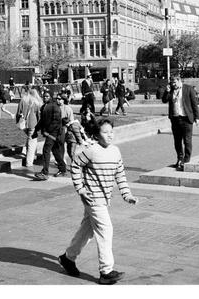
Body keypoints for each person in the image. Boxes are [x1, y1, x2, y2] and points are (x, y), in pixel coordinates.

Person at [58, 118, 138, 285]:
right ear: (96, 135)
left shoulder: (116, 151)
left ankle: (68, 258)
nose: (109, 135)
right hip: (93, 198)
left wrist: (127, 195)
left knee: (87, 231)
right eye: (105, 132)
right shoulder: (91, 150)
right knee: (106, 229)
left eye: (111, 131)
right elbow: (75, 166)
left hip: (104, 198)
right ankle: (106, 271)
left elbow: (120, 175)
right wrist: (80, 189)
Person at [161, 75, 199, 171]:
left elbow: (194, 103)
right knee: (177, 141)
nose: (172, 84)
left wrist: (197, 117)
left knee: (187, 140)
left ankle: (186, 159)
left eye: (174, 82)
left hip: (186, 118)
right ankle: (179, 158)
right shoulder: (170, 89)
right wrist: (167, 91)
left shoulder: (188, 89)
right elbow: (164, 100)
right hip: (175, 118)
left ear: (179, 81)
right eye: (171, 82)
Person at [33, 92, 67, 180]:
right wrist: (36, 129)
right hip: (51, 132)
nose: (45, 98)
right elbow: (42, 120)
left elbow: (56, 121)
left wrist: (48, 131)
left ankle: (45, 173)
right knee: (55, 151)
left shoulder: (54, 106)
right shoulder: (44, 107)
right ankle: (62, 169)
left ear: (51, 97)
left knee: (46, 150)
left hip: (54, 132)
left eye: (47, 96)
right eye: (44, 96)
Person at [16, 88, 43, 168]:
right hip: (33, 123)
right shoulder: (37, 102)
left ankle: (31, 157)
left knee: (30, 139)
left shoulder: (23, 100)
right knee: (32, 141)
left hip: (24, 123)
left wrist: (18, 122)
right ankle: (29, 162)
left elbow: (18, 112)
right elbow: (39, 115)